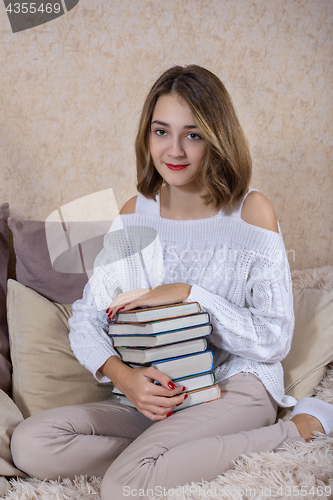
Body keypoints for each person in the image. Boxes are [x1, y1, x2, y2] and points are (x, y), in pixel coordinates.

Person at [11, 65, 333, 500]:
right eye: (162, 131)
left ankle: (300, 428)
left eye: (193, 134)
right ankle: (167, 456)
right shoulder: (134, 213)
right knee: (32, 444)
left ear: (218, 138)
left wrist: (190, 295)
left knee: (124, 484)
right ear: (147, 135)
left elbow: (274, 339)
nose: (175, 150)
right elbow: (88, 315)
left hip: (235, 385)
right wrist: (125, 378)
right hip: (164, 390)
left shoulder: (252, 212)